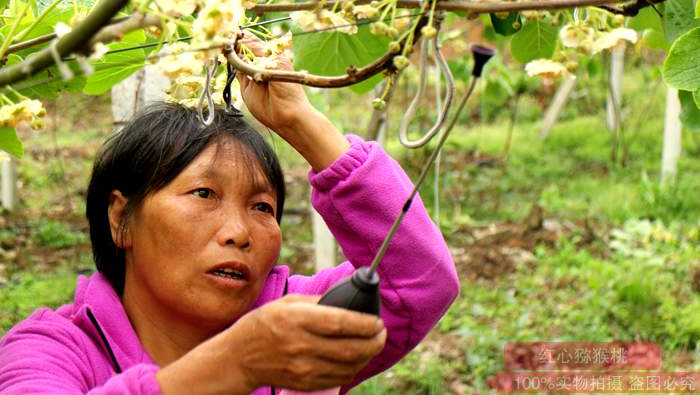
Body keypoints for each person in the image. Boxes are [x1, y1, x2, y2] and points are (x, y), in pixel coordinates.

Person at [0, 37, 460, 394]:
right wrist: (239, 363)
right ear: (121, 218)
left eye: (262, 207)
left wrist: (300, 121)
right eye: (203, 193)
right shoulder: (50, 349)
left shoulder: (294, 322)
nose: (239, 233)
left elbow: (418, 284)